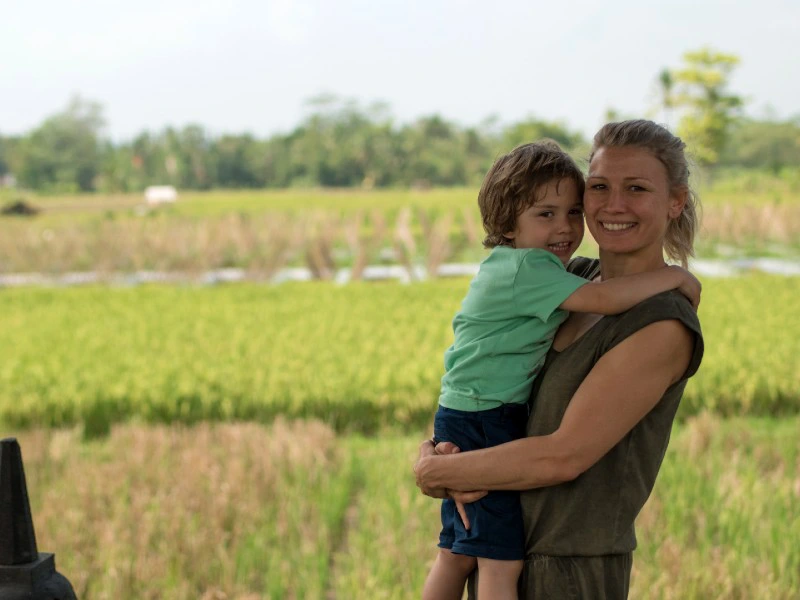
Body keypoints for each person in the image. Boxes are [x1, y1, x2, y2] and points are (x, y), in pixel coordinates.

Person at [415, 119, 704, 600]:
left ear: (675, 201)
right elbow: (487, 368)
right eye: (599, 187)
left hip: (570, 575)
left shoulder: (660, 323)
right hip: (502, 554)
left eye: (636, 188)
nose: (613, 204)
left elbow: (563, 456)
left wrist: (438, 472)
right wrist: (440, 451)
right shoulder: (573, 278)